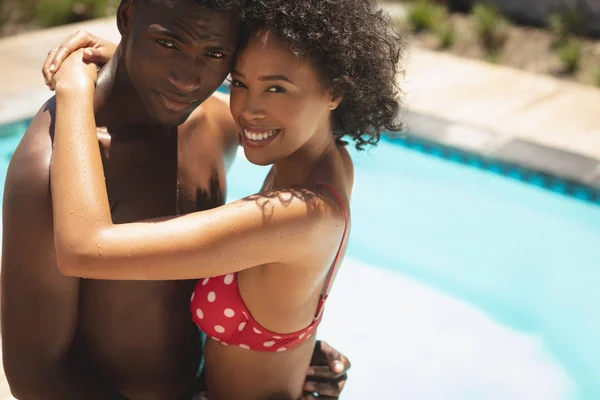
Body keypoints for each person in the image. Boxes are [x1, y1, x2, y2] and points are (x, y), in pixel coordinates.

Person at [44, 0, 403, 399]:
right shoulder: (323, 158)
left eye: (276, 88)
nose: (249, 109)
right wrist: (130, 57)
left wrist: (73, 92)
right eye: (240, 82)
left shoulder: (300, 215)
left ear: (336, 90)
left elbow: (82, 249)